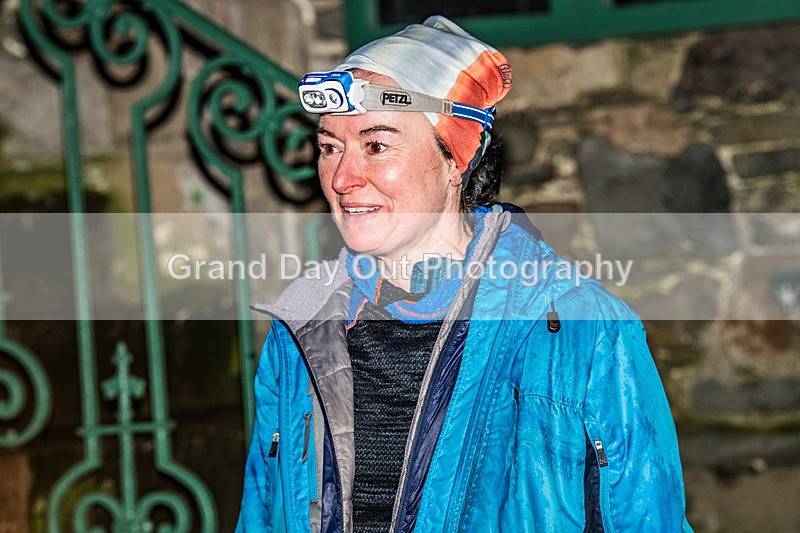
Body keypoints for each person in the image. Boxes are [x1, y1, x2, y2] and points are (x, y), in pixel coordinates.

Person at [236, 15, 692, 533]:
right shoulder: (299, 327)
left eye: (376, 145)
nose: (342, 178)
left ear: (456, 157)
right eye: (329, 148)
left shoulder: (579, 329)